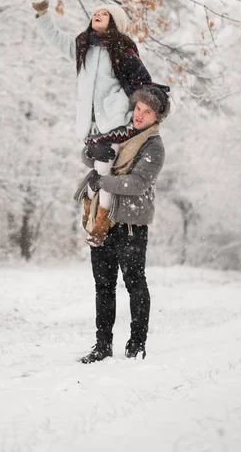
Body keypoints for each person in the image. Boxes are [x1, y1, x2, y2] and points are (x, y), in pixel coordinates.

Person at [31, 0, 152, 245]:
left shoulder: (123, 49)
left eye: (105, 13)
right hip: (89, 123)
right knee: (99, 172)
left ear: (114, 22)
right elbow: (53, 37)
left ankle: (100, 221)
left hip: (115, 121)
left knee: (105, 169)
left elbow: (143, 82)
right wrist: (42, 12)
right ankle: (91, 208)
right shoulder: (82, 46)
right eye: (96, 12)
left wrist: (126, 106)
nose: (98, 14)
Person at [74, 85, 170, 364]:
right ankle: (102, 346)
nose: (139, 116)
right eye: (138, 109)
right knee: (102, 286)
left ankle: (137, 344)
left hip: (130, 224)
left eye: (147, 112)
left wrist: (101, 181)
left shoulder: (154, 146)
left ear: (157, 117)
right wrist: (94, 150)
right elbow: (88, 156)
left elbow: (138, 183)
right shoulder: (119, 128)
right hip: (102, 219)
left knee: (134, 283)